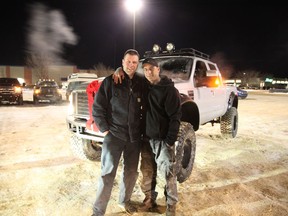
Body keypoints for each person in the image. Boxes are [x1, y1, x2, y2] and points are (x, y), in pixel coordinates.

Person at [91, 49, 145, 216]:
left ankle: (125, 200)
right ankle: (98, 211)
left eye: (134, 62)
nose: (131, 65)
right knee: (107, 174)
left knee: (131, 173)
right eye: (128, 62)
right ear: (122, 62)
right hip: (114, 135)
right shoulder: (111, 82)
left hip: (134, 138)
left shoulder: (141, 83)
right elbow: (98, 107)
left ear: (138, 64)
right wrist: (105, 129)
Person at [141, 57, 181, 216]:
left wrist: (170, 141)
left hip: (163, 140)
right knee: (147, 172)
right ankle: (149, 200)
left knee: (168, 174)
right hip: (146, 139)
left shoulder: (169, 90)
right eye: (145, 69)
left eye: (151, 68)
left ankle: (171, 206)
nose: (148, 72)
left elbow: (175, 117)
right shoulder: (144, 86)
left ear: (158, 69)